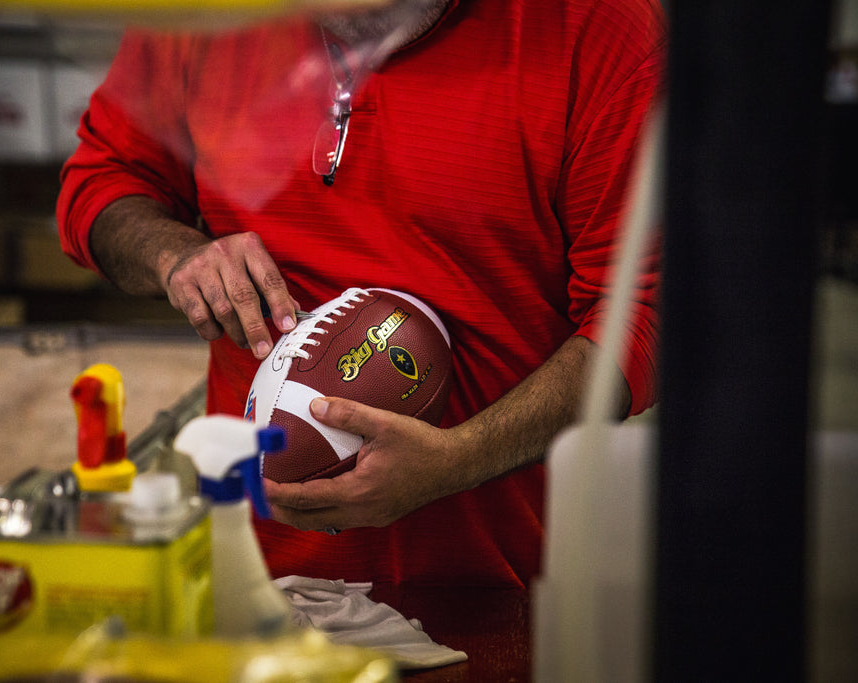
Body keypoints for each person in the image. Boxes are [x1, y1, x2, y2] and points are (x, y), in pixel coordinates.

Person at [57, 0, 666, 588]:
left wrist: (461, 458)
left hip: (494, 584)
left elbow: (648, 313)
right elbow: (105, 179)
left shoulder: (595, 25)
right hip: (249, 575)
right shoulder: (205, 13)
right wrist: (175, 256)